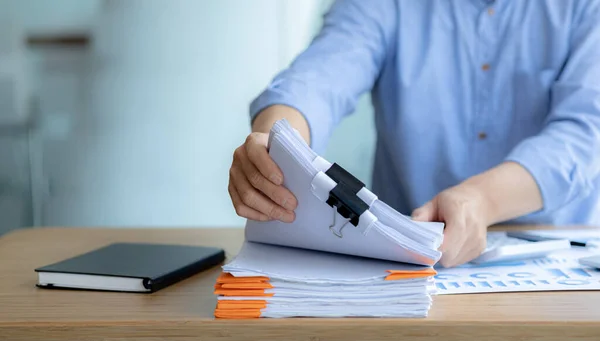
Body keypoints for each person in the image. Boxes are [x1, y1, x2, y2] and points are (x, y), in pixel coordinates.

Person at [228, 0, 600, 267]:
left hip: (559, 257)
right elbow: (322, 74)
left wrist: (483, 199)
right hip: (397, 259)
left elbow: (586, 131)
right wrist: (275, 144)